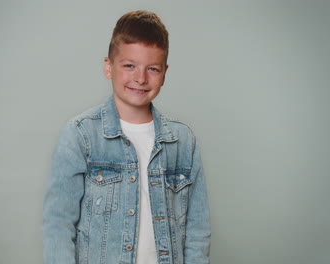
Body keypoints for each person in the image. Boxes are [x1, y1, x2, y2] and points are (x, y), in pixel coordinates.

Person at [43, 10, 211, 264]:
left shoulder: (182, 141)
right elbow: (58, 224)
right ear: (108, 67)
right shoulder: (80, 135)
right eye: (129, 66)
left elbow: (197, 229)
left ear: (165, 73)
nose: (140, 78)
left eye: (152, 69)